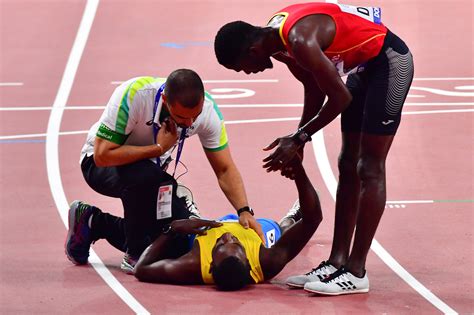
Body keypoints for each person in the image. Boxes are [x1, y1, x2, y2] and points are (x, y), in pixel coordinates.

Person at [214, 2, 414, 295]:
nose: (247, 73)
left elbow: (340, 97)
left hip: (389, 62)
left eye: (241, 68)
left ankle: (356, 272)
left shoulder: (298, 40)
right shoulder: (276, 43)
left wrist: (299, 138)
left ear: (252, 51)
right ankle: (337, 262)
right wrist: (299, 138)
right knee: (347, 162)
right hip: (362, 67)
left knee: (369, 167)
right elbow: (315, 88)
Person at [72, 68, 264, 273]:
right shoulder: (134, 95)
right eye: (181, 117)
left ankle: (94, 222)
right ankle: (135, 252)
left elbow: (224, 168)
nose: (189, 124)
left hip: (154, 178)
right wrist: (158, 149)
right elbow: (103, 155)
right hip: (100, 166)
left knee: (179, 240)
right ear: (165, 100)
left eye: (195, 116)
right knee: (146, 176)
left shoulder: (208, 111)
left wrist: (244, 210)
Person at [65, 155, 322, 291]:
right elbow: (316, 218)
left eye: (224, 243)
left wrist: (173, 229)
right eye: (235, 244)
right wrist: (298, 171)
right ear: (247, 259)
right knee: (284, 228)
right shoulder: (267, 261)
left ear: (211, 261)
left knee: (161, 239)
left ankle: (96, 222)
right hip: (255, 231)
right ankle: (292, 214)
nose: (229, 236)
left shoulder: (193, 266)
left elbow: (143, 269)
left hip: (197, 234)